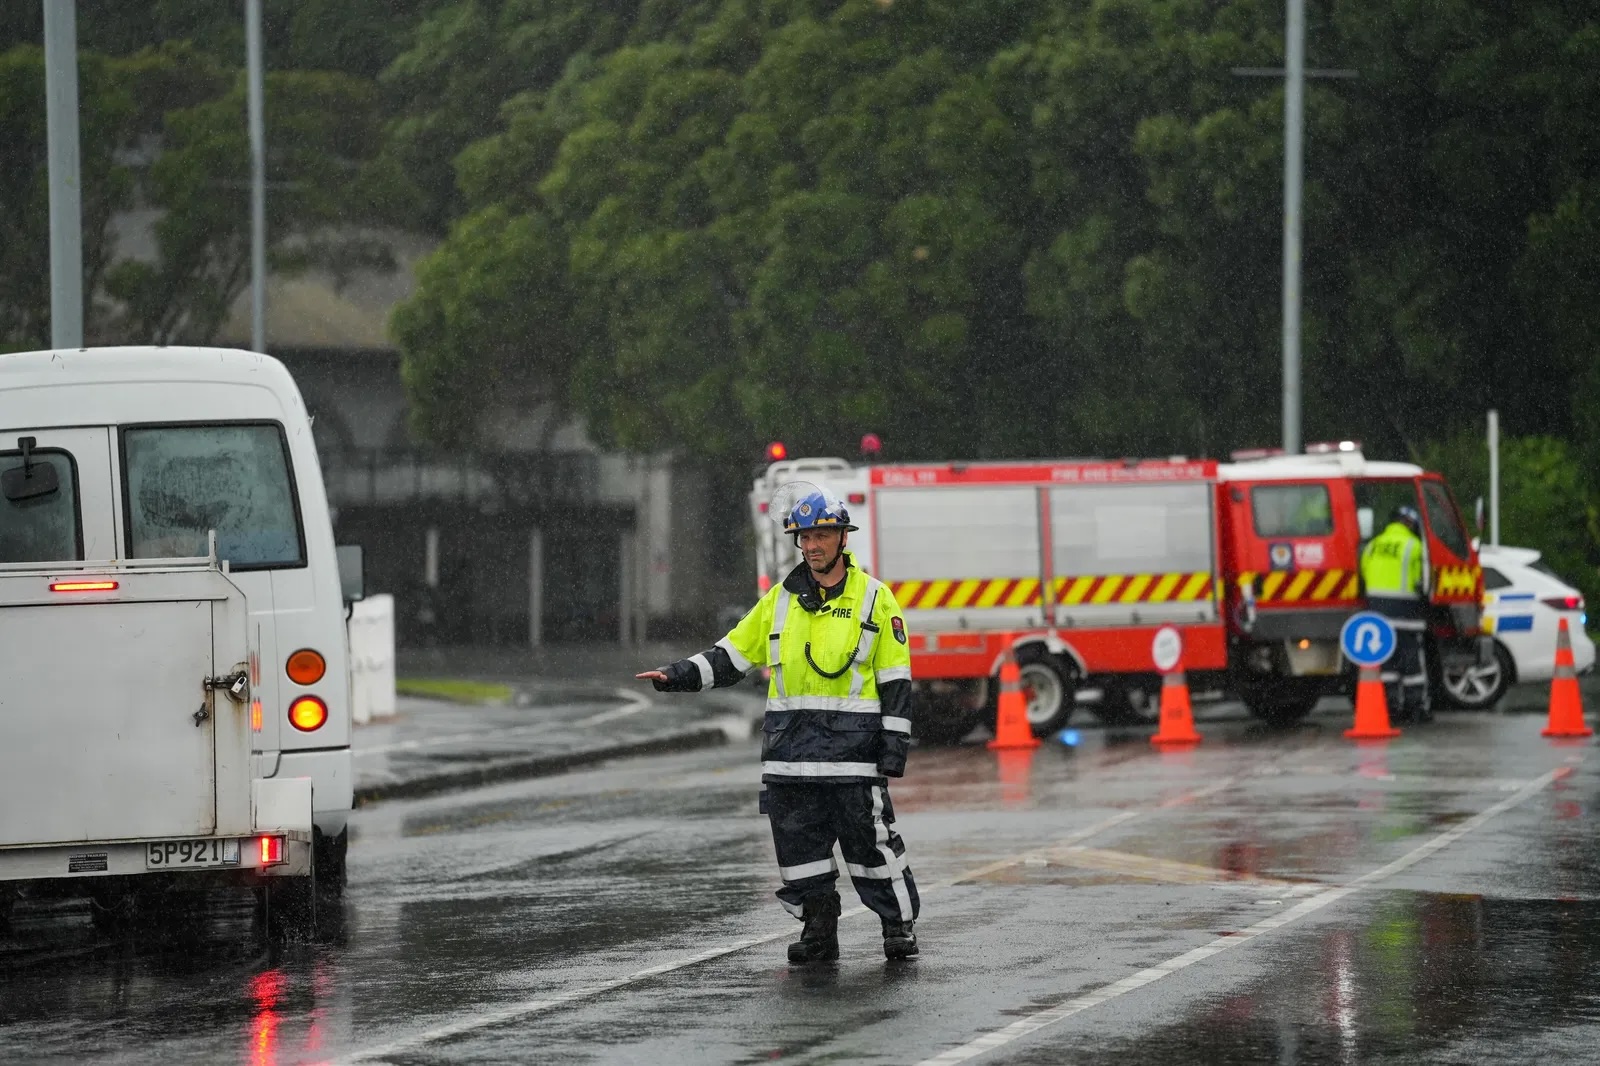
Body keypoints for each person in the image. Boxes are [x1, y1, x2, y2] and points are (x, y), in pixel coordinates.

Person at [636, 484, 920, 962]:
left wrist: (893, 749)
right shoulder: (779, 600)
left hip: (851, 761)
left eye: (821, 536)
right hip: (791, 761)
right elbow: (730, 656)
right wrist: (677, 675)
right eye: (804, 537)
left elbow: (896, 679)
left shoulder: (877, 600)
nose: (812, 546)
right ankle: (819, 931)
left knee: (872, 850)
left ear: (842, 538)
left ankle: (897, 927)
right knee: (800, 855)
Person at [1360, 504, 1431, 721]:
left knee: (1387, 664)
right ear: (1410, 523)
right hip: (1406, 612)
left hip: (1377, 613)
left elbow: (1364, 572)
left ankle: (1390, 707)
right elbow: (1424, 582)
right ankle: (1415, 707)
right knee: (1412, 663)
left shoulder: (1373, 545)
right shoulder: (1415, 546)